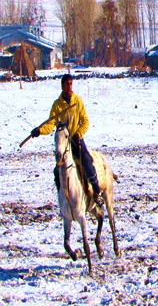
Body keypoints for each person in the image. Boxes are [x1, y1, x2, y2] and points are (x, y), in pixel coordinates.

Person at [30, 74, 104, 207]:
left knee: (87, 161)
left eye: (71, 83)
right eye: (67, 84)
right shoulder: (57, 105)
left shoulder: (77, 101)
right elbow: (50, 124)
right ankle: (62, 197)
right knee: (57, 170)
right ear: (62, 85)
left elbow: (85, 121)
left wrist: (79, 134)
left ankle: (97, 192)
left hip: (76, 139)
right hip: (63, 143)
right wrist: (39, 131)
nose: (69, 86)